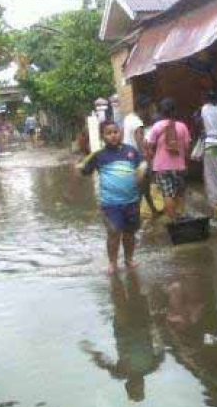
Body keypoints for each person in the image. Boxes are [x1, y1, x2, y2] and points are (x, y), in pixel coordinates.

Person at [80, 271, 165, 402]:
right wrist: (156, 328)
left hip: (124, 327)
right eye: (141, 388)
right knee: (135, 292)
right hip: (142, 325)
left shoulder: (121, 373)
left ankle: (114, 273)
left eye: (137, 389)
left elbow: (103, 361)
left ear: (128, 386)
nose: (140, 385)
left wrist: (90, 351)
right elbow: (161, 349)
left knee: (120, 298)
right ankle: (128, 268)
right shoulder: (151, 367)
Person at [81, 121, 146, 274]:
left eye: (115, 132)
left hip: (131, 201)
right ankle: (112, 263)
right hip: (110, 204)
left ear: (121, 132)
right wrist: (80, 166)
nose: (113, 136)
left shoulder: (131, 151)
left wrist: (143, 169)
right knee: (113, 233)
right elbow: (85, 171)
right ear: (102, 137)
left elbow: (141, 168)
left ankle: (129, 259)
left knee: (130, 233)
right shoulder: (99, 156)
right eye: (108, 133)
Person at [146, 98, 191, 220]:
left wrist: (151, 162)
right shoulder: (182, 126)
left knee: (167, 194)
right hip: (179, 166)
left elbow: (149, 147)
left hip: (161, 167)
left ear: (161, 111)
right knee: (180, 193)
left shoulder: (156, 126)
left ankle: (172, 221)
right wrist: (185, 162)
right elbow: (187, 148)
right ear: (175, 111)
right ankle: (181, 217)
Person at [124, 96, 161, 215]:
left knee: (144, 187)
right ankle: (135, 215)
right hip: (137, 160)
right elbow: (141, 144)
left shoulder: (128, 118)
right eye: (149, 109)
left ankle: (153, 209)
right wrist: (149, 161)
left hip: (127, 157)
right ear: (143, 108)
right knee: (141, 187)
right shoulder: (137, 123)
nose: (150, 112)